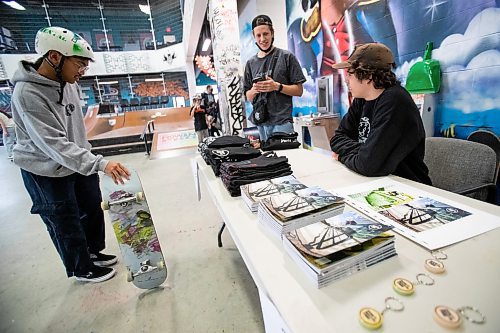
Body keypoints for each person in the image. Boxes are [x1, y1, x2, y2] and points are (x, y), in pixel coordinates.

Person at [10, 27, 131, 283]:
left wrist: (87, 158)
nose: (82, 71)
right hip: (44, 169)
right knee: (64, 217)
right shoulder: (27, 94)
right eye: (79, 64)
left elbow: (76, 129)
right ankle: (81, 267)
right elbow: (53, 144)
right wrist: (100, 163)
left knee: (92, 207)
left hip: (76, 161)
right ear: (54, 57)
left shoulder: (69, 84)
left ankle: (93, 252)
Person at [329, 43, 432, 185]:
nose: (346, 79)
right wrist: (364, 152)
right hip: (377, 181)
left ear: (368, 75)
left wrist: (342, 156)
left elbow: (368, 164)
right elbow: (336, 139)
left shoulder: (395, 100)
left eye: (350, 73)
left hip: (407, 186)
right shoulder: (361, 100)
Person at [243, 14, 306, 144]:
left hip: (282, 123)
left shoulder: (287, 57)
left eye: (265, 34)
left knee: (289, 161)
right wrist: (254, 90)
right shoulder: (250, 63)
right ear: (254, 36)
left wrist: (277, 86)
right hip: (260, 123)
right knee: (268, 162)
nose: (262, 39)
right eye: (258, 35)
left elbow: (299, 91)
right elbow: (247, 96)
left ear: (272, 33)